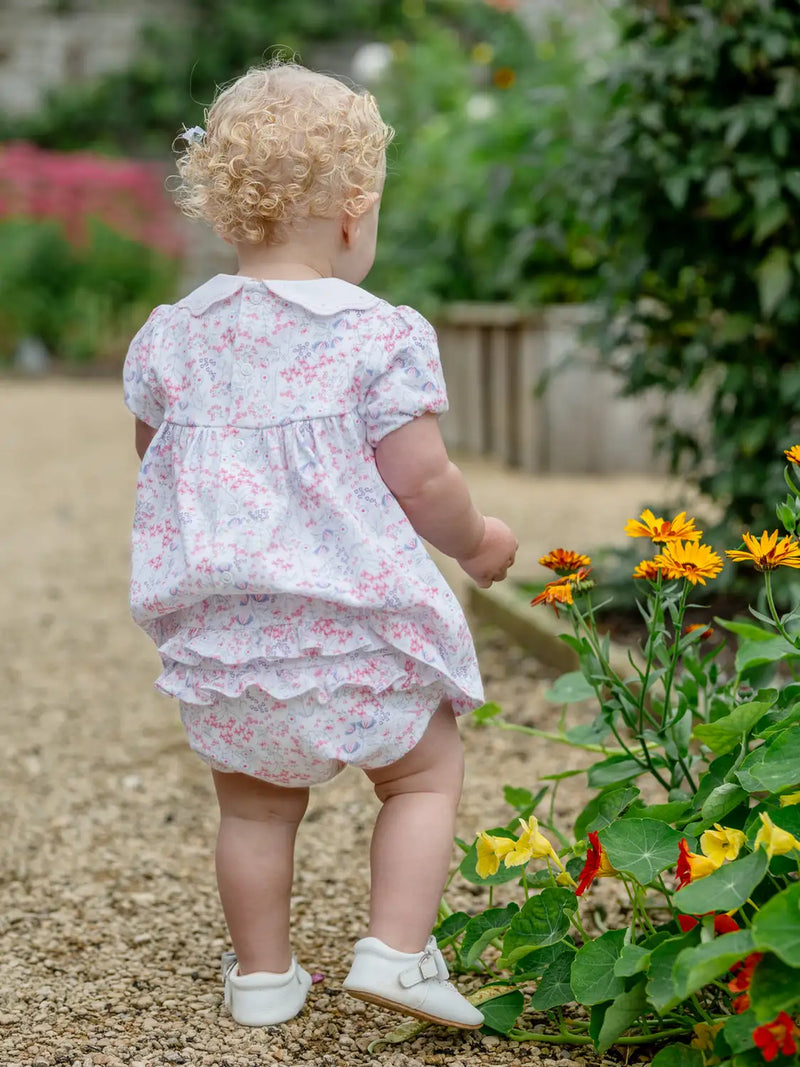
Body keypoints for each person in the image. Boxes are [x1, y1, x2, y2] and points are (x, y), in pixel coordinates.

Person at [123, 61, 517, 1031]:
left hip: (235, 642)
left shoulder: (173, 338)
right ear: (354, 212)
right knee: (421, 772)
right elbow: (419, 480)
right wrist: (477, 542)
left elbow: (155, 461)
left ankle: (261, 976)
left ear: (224, 214)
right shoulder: (375, 335)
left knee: (254, 809)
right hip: (356, 630)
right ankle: (395, 948)